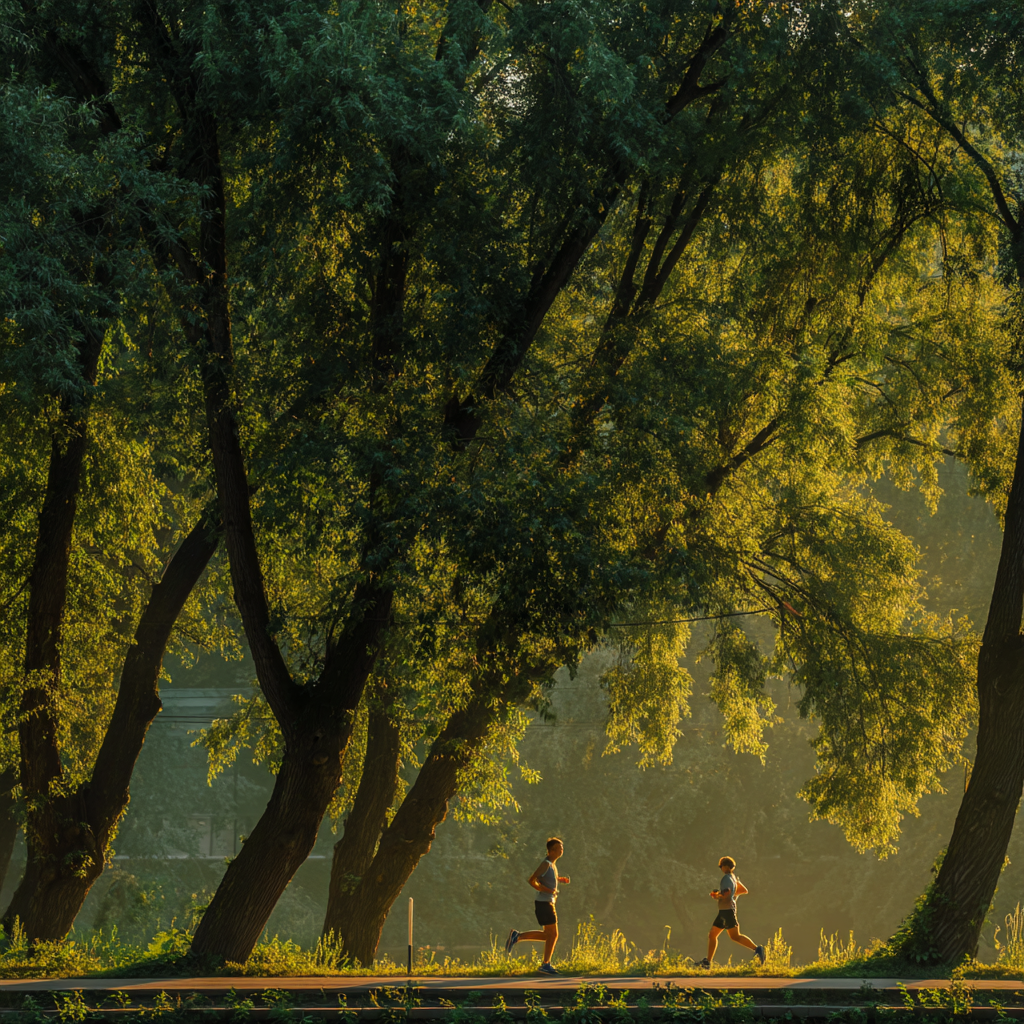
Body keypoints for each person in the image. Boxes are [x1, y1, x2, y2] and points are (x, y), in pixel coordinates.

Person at [504, 837, 570, 976]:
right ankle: (545, 964)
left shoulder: (552, 865)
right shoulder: (546, 863)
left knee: (549, 935)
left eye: (562, 847)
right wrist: (546, 890)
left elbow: (546, 879)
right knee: (553, 935)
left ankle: (518, 936)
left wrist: (559, 880)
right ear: (551, 851)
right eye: (559, 848)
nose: (561, 850)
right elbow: (532, 880)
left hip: (547, 903)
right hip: (544, 903)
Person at [698, 855, 765, 969]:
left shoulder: (726, 878)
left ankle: (757, 949)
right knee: (714, 934)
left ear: (725, 866)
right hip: (726, 911)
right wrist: (732, 898)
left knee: (733, 936)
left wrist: (717, 896)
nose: (721, 869)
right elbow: (743, 890)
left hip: (727, 912)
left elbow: (726, 892)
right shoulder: (734, 878)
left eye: (721, 866)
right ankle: (707, 962)